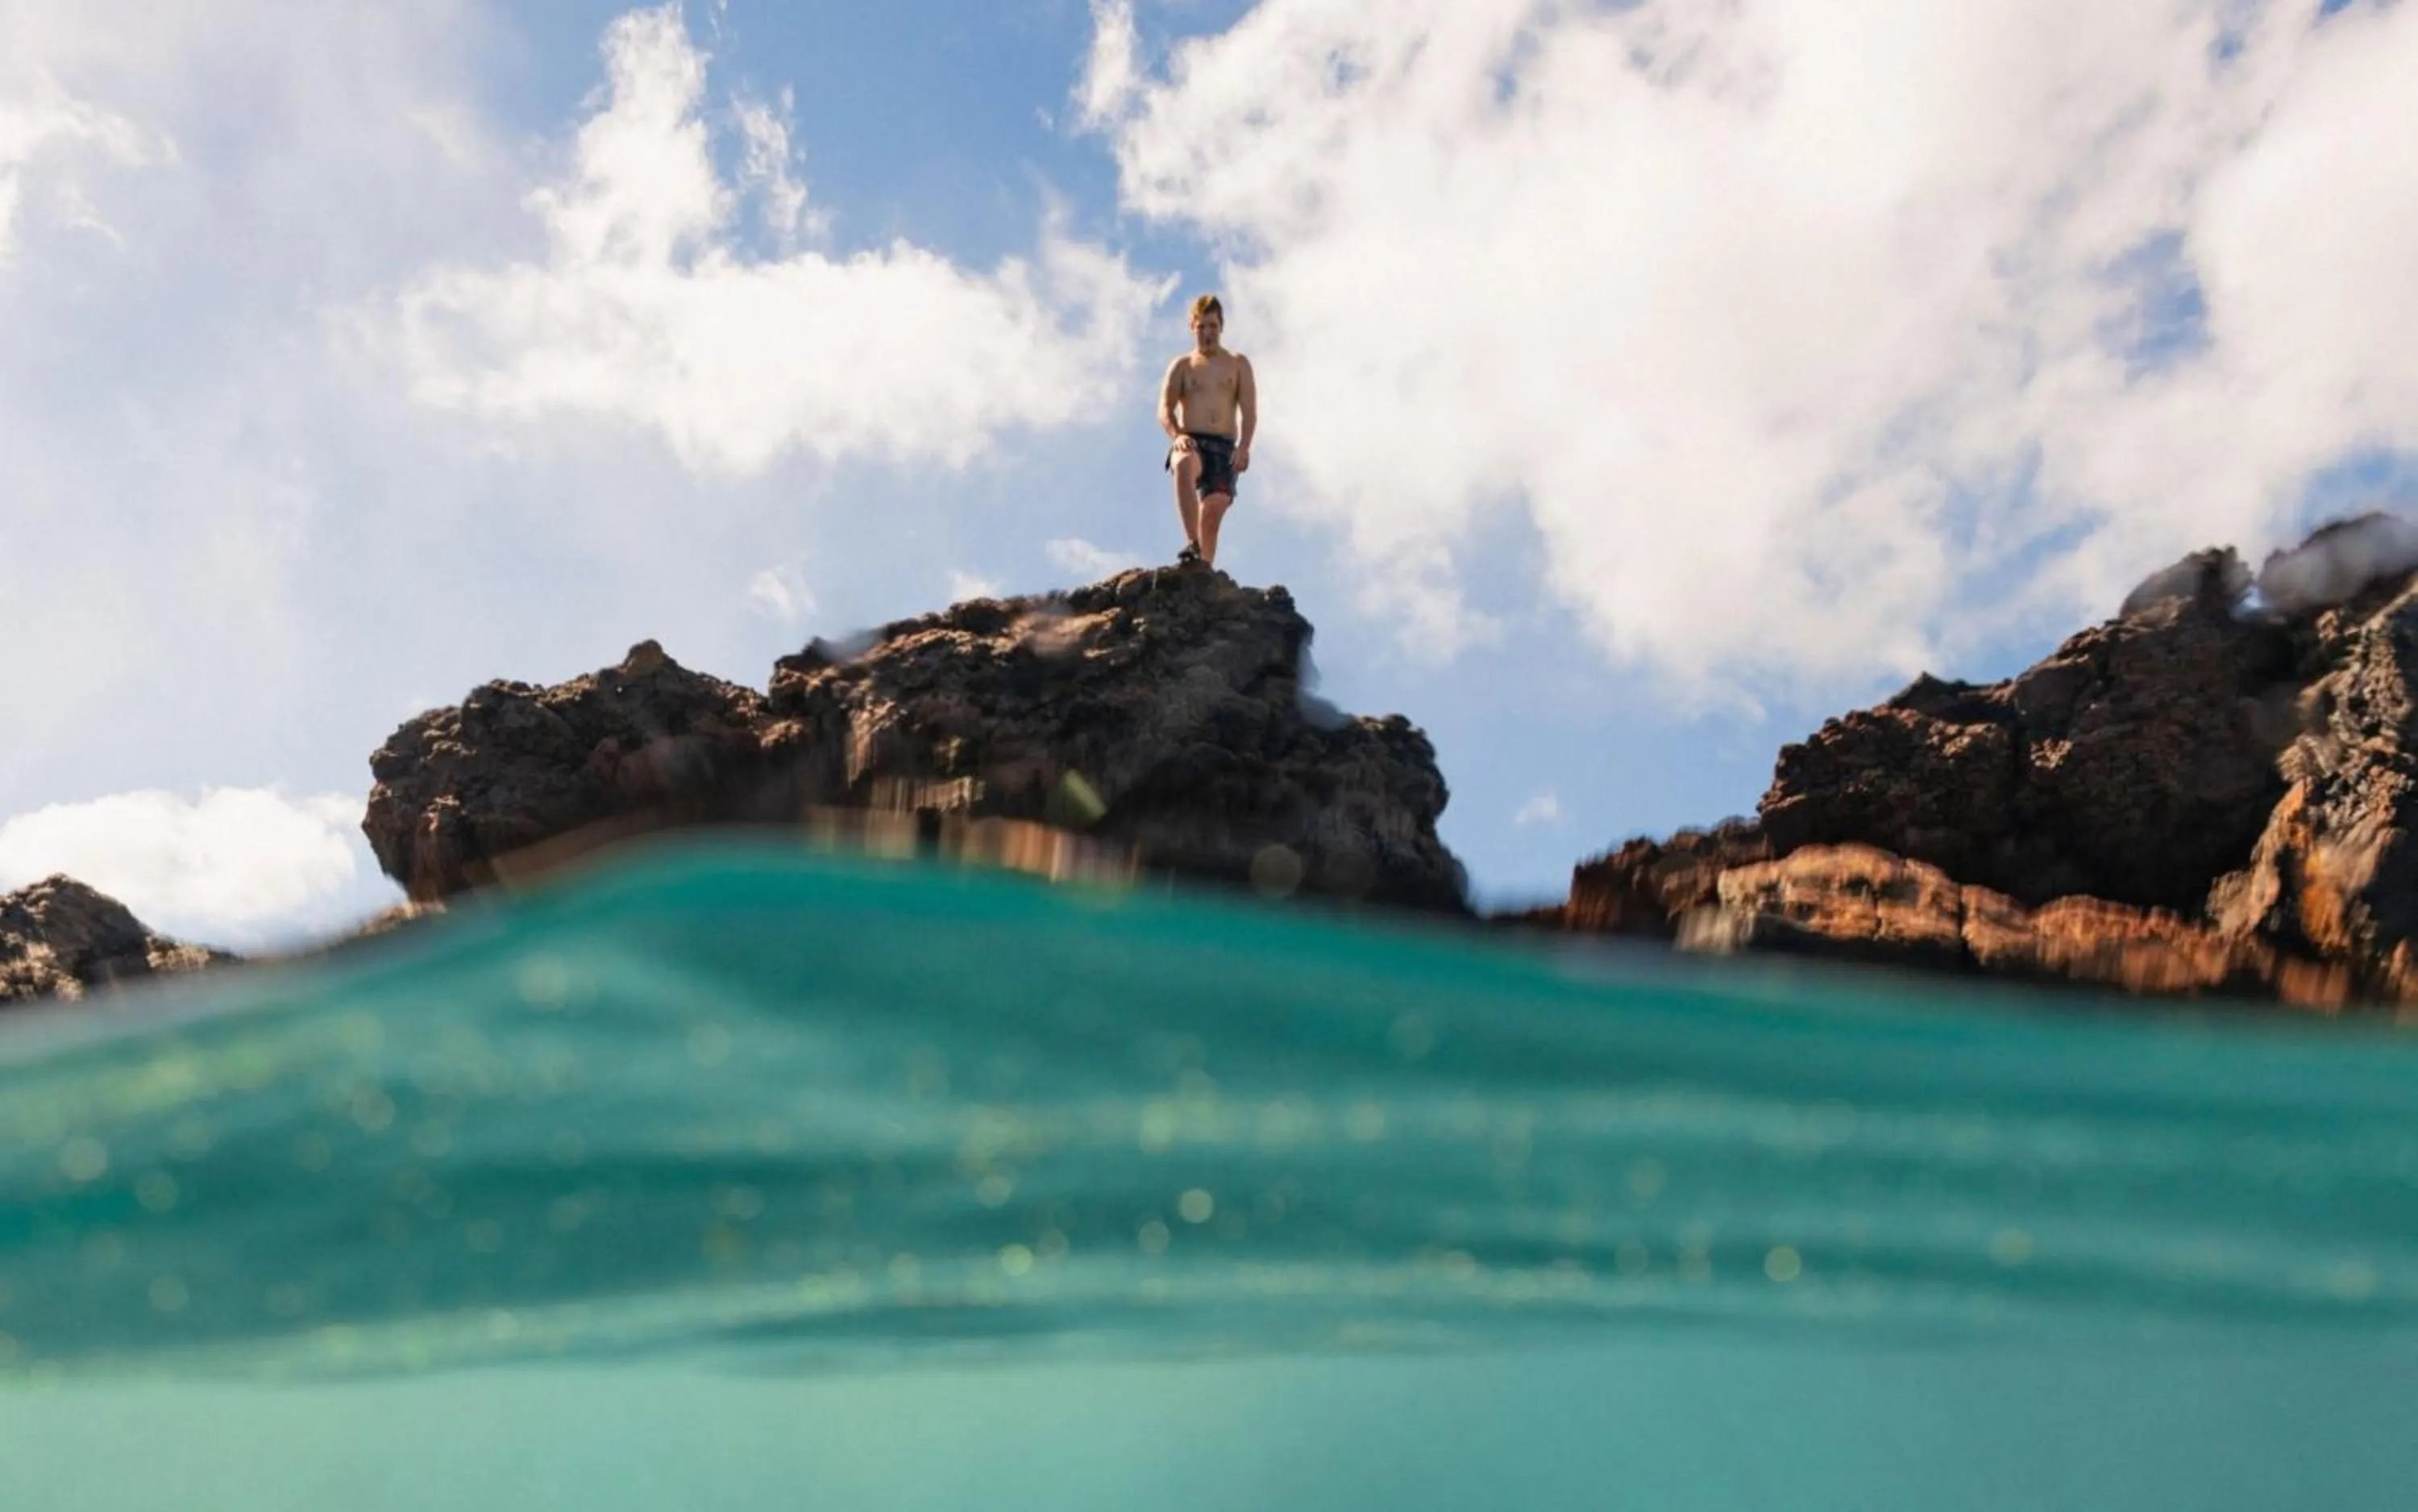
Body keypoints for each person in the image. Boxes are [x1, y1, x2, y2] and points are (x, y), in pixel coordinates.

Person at [1160, 293, 1256, 567]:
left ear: (1221, 327)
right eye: (1201, 326)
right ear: (1193, 327)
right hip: (1193, 441)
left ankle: (1203, 570)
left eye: (1213, 326)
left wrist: (1245, 447)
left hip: (1225, 445)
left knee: (1212, 512)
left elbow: (1249, 411)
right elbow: (1164, 410)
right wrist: (1178, 435)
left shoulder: (1237, 363)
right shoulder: (1182, 366)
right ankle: (1192, 544)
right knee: (1183, 463)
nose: (1207, 333)